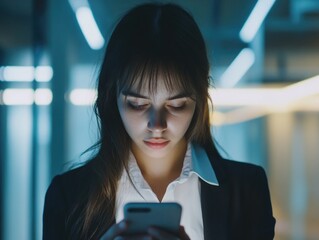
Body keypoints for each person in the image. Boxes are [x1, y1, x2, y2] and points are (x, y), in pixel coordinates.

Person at [43, 3, 276, 240]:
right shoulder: (68, 197)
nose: (157, 125)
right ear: (112, 97)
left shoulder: (247, 191)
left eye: (176, 105)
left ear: (199, 99)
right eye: (137, 104)